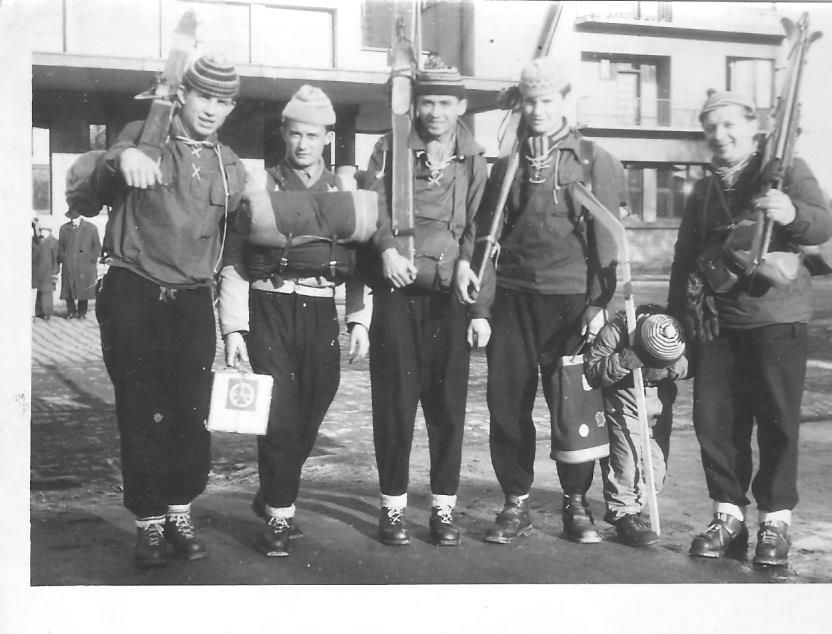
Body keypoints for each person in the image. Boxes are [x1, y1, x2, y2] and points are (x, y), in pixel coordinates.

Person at [456, 57, 626, 545]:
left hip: (570, 303)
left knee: (572, 406)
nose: (538, 110)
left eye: (547, 100)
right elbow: (487, 237)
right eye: (530, 102)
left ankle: (576, 503)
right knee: (506, 402)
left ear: (565, 101)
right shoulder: (510, 162)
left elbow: (607, 241)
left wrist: (599, 305)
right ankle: (516, 502)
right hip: (512, 299)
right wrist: (481, 308)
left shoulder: (593, 160)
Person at [91, 54, 246, 568]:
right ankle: (149, 524)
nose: (213, 109)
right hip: (135, 292)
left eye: (224, 101)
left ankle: (180, 510)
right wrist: (125, 160)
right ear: (182, 95)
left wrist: (234, 325)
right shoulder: (145, 134)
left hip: (193, 301)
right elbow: (104, 173)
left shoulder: (229, 164)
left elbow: (237, 244)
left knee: (191, 412)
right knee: (142, 410)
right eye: (205, 96)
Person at [667, 90, 832, 566]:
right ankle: (728, 516)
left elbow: (822, 226)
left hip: (776, 318)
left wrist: (791, 213)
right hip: (716, 322)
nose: (719, 136)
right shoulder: (704, 190)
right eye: (710, 128)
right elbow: (684, 258)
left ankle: (775, 521)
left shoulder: (786, 170)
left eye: (729, 125)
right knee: (716, 422)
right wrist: (678, 325)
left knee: (777, 422)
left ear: (753, 127)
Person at [219, 84, 372, 557]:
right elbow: (235, 258)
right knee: (280, 415)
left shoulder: (343, 191)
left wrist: (359, 319)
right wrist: (234, 328)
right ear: (284, 133)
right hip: (270, 306)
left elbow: (359, 261)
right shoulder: (261, 185)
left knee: (313, 407)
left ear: (328, 137)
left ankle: (272, 491)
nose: (303, 144)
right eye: (295, 134)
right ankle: (280, 517)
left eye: (312, 135)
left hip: (321, 310)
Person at [364, 57, 489, 546]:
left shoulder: (473, 158)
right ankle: (392, 508)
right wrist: (386, 248)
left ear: (461, 106)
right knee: (395, 404)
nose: (435, 112)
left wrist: (467, 264)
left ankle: (442, 508)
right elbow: (372, 206)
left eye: (445, 102)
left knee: (447, 407)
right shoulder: (389, 147)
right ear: (414, 104)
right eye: (427, 102)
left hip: (447, 299)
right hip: (398, 294)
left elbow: (479, 224)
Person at [583, 305, 689, 547]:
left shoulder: (672, 329)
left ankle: (635, 509)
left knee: (656, 470)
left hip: (658, 407)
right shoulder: (618, 330)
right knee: (626, 462)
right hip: (624, 403)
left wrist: (670, 368)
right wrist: (623, 361)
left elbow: (689, 365)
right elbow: (592, 370)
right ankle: (625, 515)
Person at [58, 210, 101, 319]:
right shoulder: (64, 228)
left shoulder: (91, 228)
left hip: (84, 264)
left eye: (75, 218)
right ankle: (71, 312)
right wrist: (63, 257)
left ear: (81, 217)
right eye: (71, 218)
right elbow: (60, 246)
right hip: (69, 264)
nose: (73, 220)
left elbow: (97, 246)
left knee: (83, 289)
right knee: (68, 288)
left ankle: (82, 312)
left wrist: (91, 258)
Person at [32, 216, 59, 320]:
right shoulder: (36, 241)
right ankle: (39, 311)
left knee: (47, 293)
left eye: (44, 230)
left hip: (48, 271)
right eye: (40, 230)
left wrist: (55, 272)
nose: (42, 232)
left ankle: (47, 312)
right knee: (39, 292)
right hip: (37, 271)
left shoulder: (54, 242)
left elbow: (56, 259)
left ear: (49, 231)